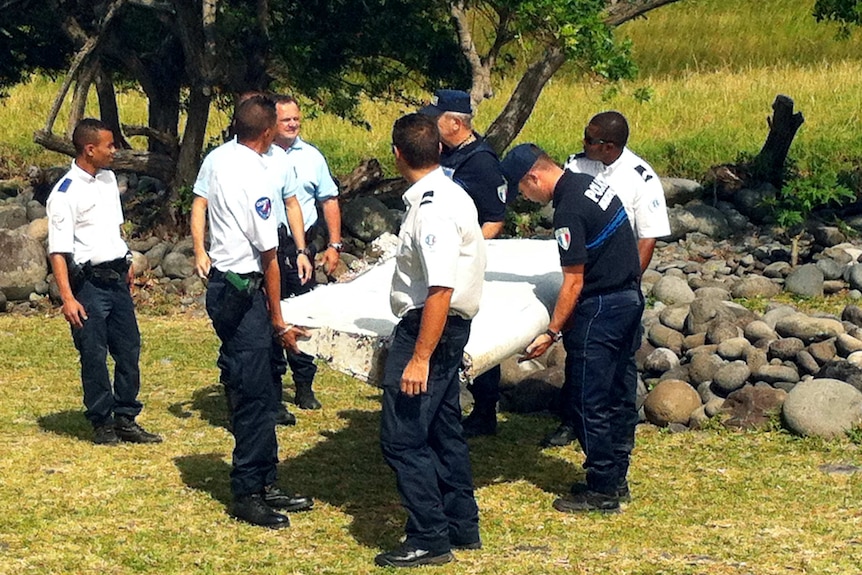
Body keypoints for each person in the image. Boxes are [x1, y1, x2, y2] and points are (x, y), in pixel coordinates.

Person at [500, 143, 644, 514]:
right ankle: (615, 476)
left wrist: (551, 331)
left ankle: (602, 489)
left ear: (534, 177)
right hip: (628, 297)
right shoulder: (587, 184)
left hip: (600, 309)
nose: (526, 199)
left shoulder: (568, 210)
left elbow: (573, 282)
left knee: (586, 400)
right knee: (616, 392)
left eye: (523, 191)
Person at [376, 113, 486, 567]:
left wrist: (419, 356)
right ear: (440, 149)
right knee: (443, 430)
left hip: (430, 328)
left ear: (398, 155)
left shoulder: (432, 208)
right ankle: (461, 524)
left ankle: (429, 535)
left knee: (402, 437)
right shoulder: (452, 192)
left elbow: (440, 287)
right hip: (445, 326)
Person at [202, 94, 313, 528]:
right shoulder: (253, 174)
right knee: (253, 393)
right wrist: (278, 317)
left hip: (230, 287)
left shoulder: (222, 159)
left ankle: (267, 479)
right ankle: (248, 489)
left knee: (266, 388)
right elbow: (269, 254)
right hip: (242, 290)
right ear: (267, 133)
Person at [542, 110, 670, 448]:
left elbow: (647, 237)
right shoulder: (577, 165)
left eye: (590, 138)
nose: (582, 142)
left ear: (609, 146)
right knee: (578, 352)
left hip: (616, 282)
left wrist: (625, 280)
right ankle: (572, 420)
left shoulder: (639, 177)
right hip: (581, 275)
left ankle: (620, 429)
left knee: (620, 362)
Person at [46, 118, 162, 446]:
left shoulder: (109, 180)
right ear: (89, 149)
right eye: (109, 145)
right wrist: (68, 297)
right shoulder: (65, 193)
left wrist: (124, 258)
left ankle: (126, 416)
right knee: (94, 355)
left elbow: (113, 227)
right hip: (89, 285)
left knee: (128, 350)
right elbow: (58, 250)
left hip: (116, 280)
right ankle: (102, 421)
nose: (114, 150)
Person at [418, 89, 508, 438]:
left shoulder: (481, 161)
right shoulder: (446, 155)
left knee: (475, 334)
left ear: (455, 123)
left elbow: (495, 218)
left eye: (435, 118)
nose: (430, 124)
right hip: (443, 255)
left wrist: (470, 254)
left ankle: (485, 411)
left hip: (468, 262)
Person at [271, 94, 342, 410]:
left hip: (303, 249)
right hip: (270, 247)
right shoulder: (260, 156)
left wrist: (334, 245)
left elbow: (329, 200)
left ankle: (304, 385)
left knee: (303, 313)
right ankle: (271, 387)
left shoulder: (312, 156)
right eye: (286, 119)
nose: (292, 124)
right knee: (270, 314)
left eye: (296, 119)